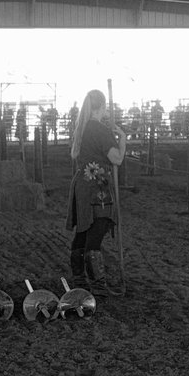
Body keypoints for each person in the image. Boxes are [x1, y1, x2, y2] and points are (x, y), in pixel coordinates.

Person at [66, 89, 127, 292]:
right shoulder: (100, 130)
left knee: (83, 229)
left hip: (82, 183)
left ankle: (79, 279)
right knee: (98, 227)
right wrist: (123, 139)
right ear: (102, 107)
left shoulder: (82, 128)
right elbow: (116, 158)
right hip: (97, 185)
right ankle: (98, 282)